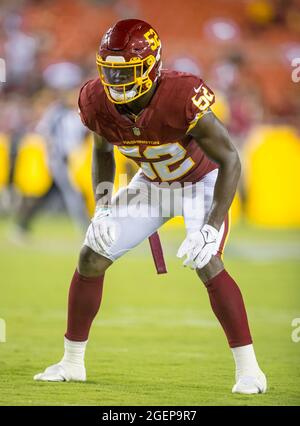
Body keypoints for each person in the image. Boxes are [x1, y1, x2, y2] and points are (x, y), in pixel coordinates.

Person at [34, 19, 266, 394]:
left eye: (125, 71)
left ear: (152, 66)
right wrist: (104, 207)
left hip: (200, 182)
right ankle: (71, 362)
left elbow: (230, 159)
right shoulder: (95, 99)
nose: (115, 79)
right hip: (154, 184)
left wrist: (210, 226)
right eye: (109, 69)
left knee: (206, 260)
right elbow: (102, 151)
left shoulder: (182, 93)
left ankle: (250, 371)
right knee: (91, 255)